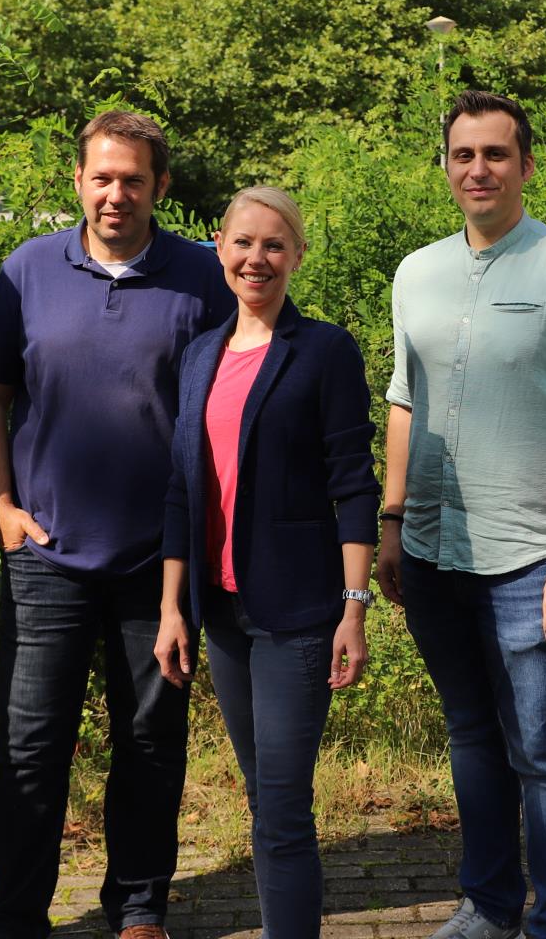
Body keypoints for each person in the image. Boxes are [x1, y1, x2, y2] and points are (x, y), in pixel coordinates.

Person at [0, 111, 234, 939]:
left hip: (161, 560)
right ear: (78, 181)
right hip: (47, 554)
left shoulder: (203, 276)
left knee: (151, 740)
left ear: (162, 187)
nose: (117, 193)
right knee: (30, 745)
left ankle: (140, 904)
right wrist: (3, 510)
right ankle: (15, 914)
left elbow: (234, 398)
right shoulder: (29, 271)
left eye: (135, 179)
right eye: (103, 177)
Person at [376, 90, 546, 939]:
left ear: (527, 165)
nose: (477, 169)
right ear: (445, 166)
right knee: (471, 737)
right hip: (433, 553)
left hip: (533, 558)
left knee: (545, 753)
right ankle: (489, 906)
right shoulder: (416, 271)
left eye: (495, 154)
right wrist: (391, 523)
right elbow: (403, 402)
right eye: (463, 155)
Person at [151, 186, 381, 939]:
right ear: (219, 247)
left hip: (299, 611)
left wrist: (355, 607)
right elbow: (182, 490)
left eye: (274, 245)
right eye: (244, 242)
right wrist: (171, 608)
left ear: (297, 256)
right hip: (220, 615)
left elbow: (353, 482)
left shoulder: (324, 350)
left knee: (282, 808)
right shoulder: (197, 357)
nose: (257, 258)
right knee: (263, 799)